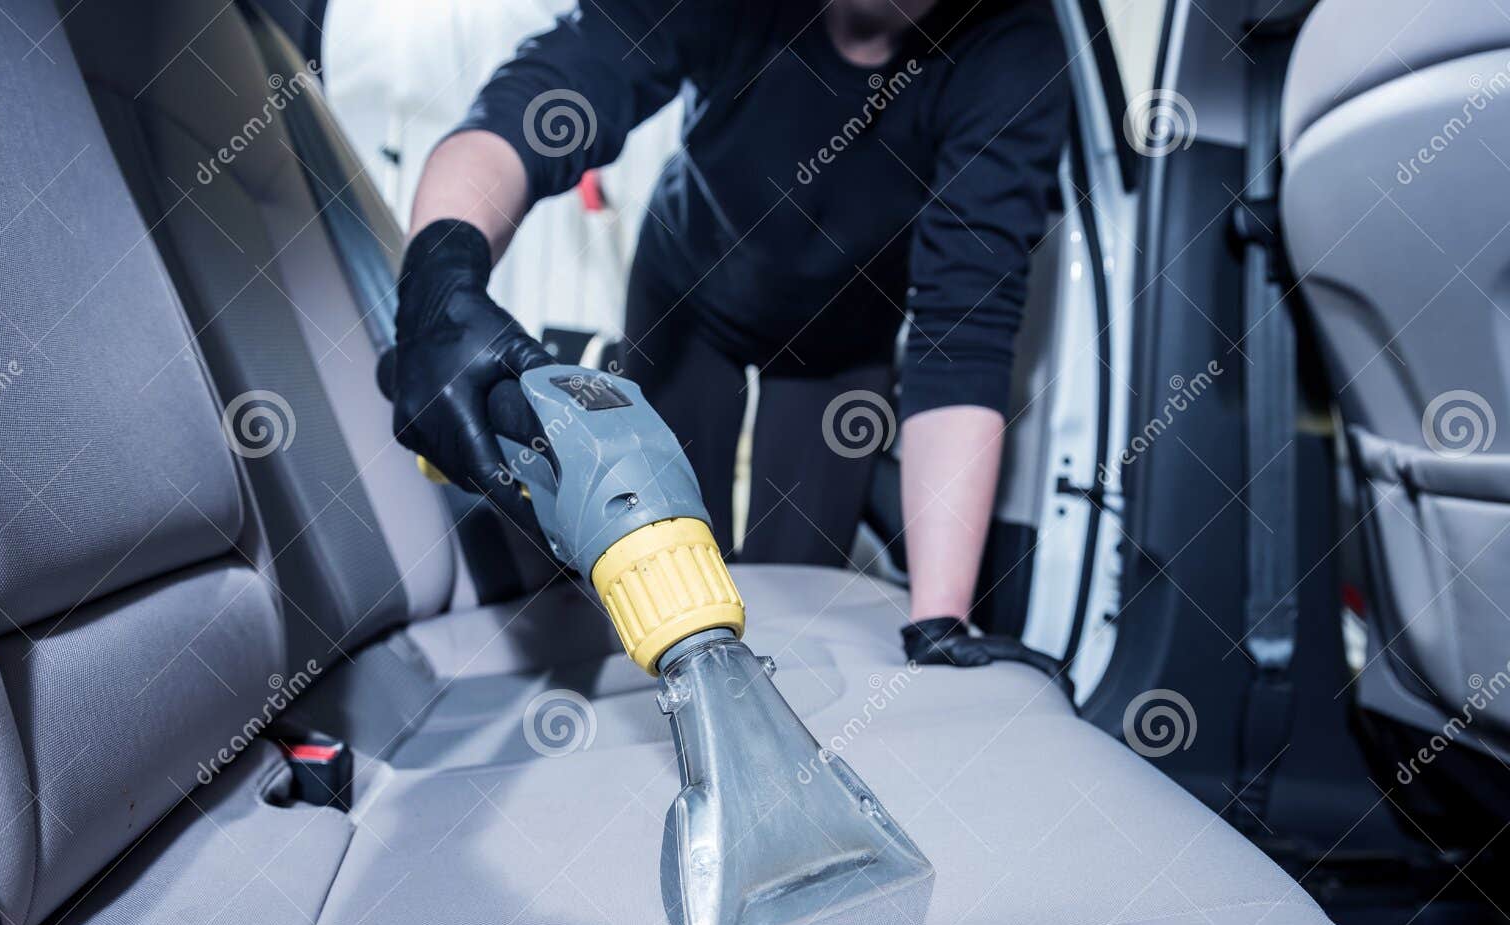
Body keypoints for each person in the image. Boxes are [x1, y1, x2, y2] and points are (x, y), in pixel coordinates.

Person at [380, 0, 1072, 674]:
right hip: (690, 289)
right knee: (651, 537)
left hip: (843, 335)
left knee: (799, 590)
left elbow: (965, 327)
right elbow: (541, 99)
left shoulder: (1013, 48)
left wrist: (941, 621)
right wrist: (439, 286)